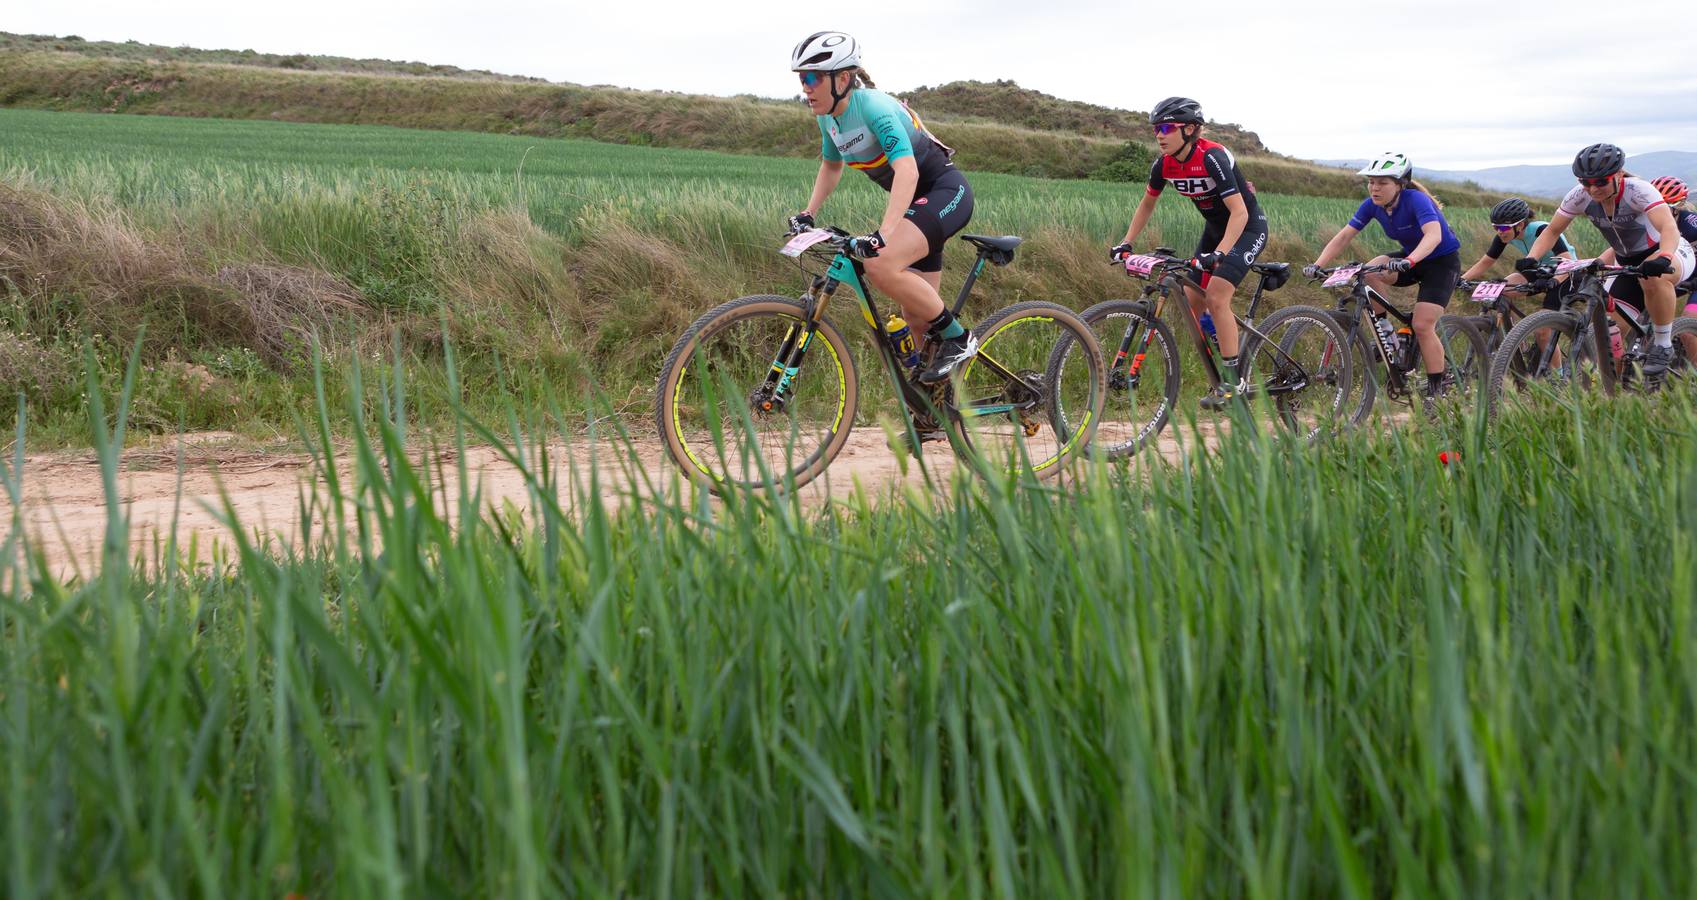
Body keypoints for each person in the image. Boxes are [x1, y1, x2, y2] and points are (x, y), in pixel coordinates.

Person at [787, 31, 976, 385]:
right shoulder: (827, 118)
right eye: (801, 78)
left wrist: (883, 235)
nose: (805, 87)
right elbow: (831, 166)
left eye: (812, 77)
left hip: (945, 193)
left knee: (880, 263)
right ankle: (931, 418)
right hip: (918, 206)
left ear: (842, 79)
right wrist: (807, 213)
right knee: (917, 322)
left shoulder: (873, 107)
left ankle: (959, 339)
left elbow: (907, 169)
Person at [1109, 96, 1268, 409]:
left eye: (1167, 127)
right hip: (1214, 231)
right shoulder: (1164, 164)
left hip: (1247, 227)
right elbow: (1147, 204)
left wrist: (1220, 253)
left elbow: (1239, 213)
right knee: (1192, 304)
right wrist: (1126, 242)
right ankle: (1224, 354)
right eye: (1156, 128)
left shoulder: (1212, 157)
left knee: (1217, 295)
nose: (1159, 134)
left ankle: (1235, 381)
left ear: (1191, 129)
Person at [1517, 144, 1695, 380]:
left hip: (1671, 250)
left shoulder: (1639, 191)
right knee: (1610, 335)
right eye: (1585, 182)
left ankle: (1663, 345)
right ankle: (1617, 393)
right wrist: (1532, 258)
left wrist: (1664, 257)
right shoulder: (1579, 196)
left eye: (1601, 181)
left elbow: (1668, 227)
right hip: (1627, 260)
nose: (1593, 188)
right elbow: (1552, 231)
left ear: (1619, 175)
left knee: (1653, 277)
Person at [1304, 152, 1463, 403]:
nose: (1374, 188)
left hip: (1440, 262)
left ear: (1400, 184)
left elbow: (1433, 236)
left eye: (1382, 182)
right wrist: (1317, 265)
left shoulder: (1416, 200)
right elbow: (1344, 236)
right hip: (1410, 258)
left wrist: (1409, 261)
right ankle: (1386, 331)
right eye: (1371, 181)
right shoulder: (1372, 205)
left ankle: (1437, 389)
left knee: (1422, 325)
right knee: (1369, 270)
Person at [1459, 197, 1579, 311]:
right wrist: (1461, 280)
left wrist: (1555, 280)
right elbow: (1486, 261)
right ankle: (1511, 330)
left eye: (1504, 228)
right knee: (1499, 289)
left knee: (1542, 331)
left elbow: (1567, 261)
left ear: (1520, 225)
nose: (1500, 232)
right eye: (1496, 227)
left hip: (1567, 273)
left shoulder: (1542, 230)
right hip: (1543, 270)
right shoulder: (1506, 235)